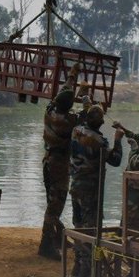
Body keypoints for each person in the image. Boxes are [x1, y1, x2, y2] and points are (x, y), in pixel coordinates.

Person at [67, 104, 124, 277]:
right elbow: (115, 160)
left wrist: (88, 106)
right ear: (100, 122)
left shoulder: (76, 130)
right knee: (90, 229)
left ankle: (78, 266)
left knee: (78, 225)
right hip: (90, 189)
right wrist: (118, 139)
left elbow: (83, 116)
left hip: (75, 185)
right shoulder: (99, 141)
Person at [38, 67, 81, 260]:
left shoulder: (50, 111)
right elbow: (88, 117)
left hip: (48, 162)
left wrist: (71, 76)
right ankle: (46, 244)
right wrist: (86, 100)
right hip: (59, 166)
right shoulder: (68, 121)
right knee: (56, 204)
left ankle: (57, 237)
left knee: (52, 200)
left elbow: (62, 92)